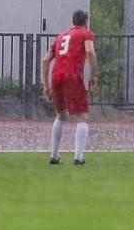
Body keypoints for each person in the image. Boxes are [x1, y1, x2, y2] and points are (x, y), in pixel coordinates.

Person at [41, 9, 99, 165]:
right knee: (82, 116)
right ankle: (78, 158)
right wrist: (94, 74)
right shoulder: (85, 34)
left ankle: (54, 156)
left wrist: (46, 85)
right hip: (72, 76)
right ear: (86, 22)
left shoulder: (61, 36)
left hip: (56, 76)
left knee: (61, 115)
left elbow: (46, 60)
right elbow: (90, 51)